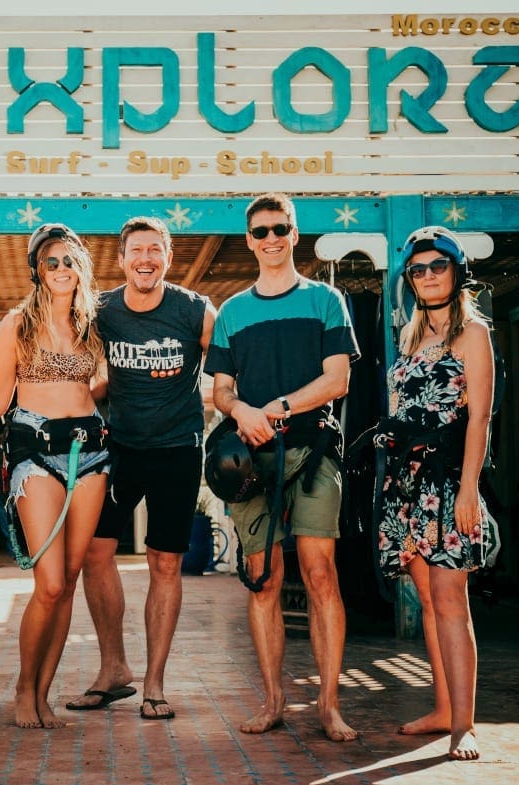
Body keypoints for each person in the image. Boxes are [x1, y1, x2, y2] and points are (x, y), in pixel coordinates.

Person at [206, 192, 359, 742]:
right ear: (249, 241)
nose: (271, 239)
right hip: (251, 461)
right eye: (261, 231)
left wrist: (282, 407)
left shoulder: (326, 301)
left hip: (313, 453)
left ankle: (328, 705)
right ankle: (272, 700)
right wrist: (241, 409)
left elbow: (337, 379)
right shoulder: (231, 311)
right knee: (263, 580)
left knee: (321, 575)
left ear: (295, 235)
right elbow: (221, 390)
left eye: (280, 229)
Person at [68, 216, 215, 720]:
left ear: (168, 258)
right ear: (122, 259)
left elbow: (229, 370)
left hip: (178, 449)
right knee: (93, 551)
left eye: (155, 249)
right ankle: (114, 670)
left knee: (165, 563)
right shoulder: (102, 311)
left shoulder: (195, 310)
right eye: (137, 250)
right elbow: (82, 369)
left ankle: (154, 685)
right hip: (121, 449)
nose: (146, 258)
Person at [376, 226, 499, 761]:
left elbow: (480, 417)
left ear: (457, 271)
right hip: (407, 486)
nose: (427, 276)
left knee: (452, 602)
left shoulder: (472, 333)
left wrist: (469, 487)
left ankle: (465, 724)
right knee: (426, 599)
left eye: (437, 266)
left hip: (449, 483)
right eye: (418, 269)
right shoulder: (409, 336)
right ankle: (444, 707)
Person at [0, 223, 109, 729]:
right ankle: (22, 688)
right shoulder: (17, 322)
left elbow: (100, 386)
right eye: (51, 261)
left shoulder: (94, 325)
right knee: (51, 584)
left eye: (69, 261)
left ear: (81, 268)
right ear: (38, 269)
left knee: (71, 581)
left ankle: (43, 694)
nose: (61, 269)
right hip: (35, 457)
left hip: (91, 455)